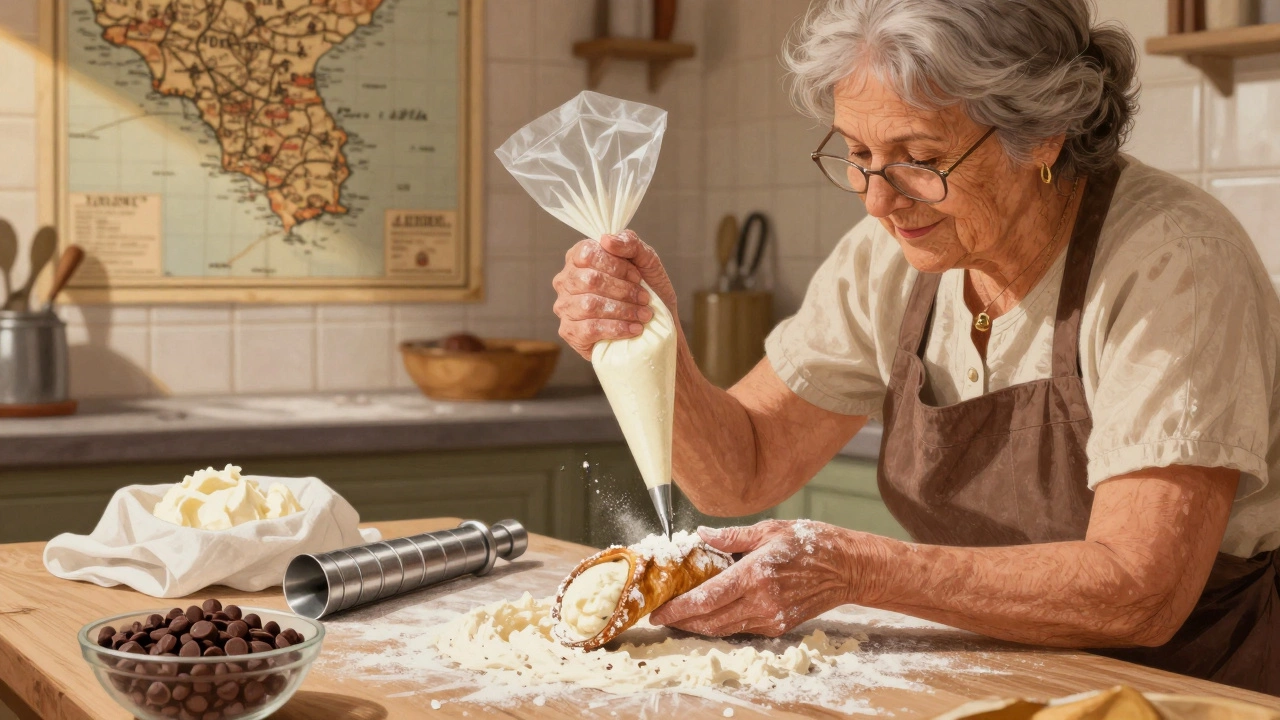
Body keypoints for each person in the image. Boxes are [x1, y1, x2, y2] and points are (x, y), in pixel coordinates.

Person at [550, 0, 1280, 695]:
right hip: (1005, 677)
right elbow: (742, 467)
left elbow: (1140, 591)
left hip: (1199, 688)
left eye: (918, 157)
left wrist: (856, 569)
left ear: (1044, 134)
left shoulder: (1174, 262)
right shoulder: (889, 258)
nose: (876, 199)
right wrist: (653, 344)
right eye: (859, 152)